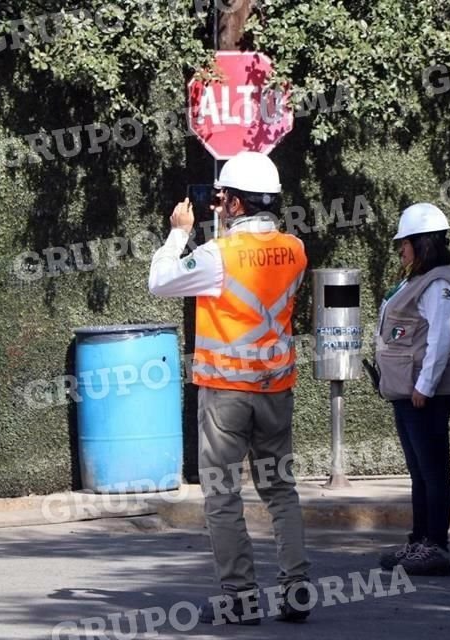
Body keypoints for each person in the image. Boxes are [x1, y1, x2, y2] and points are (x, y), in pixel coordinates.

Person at [148, 151, 312, 624]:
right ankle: (296, 587)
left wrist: (180, 231)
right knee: (280, 489)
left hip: (224, 392)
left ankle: (241, 597)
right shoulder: (296, 250)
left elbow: (160, 281)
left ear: (237, 204)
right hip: (276, 387)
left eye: (222, 199)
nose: (217, 206)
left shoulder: (216, 255)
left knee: (222, 495)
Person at [374, 202, 450, 576]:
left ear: (422, 243)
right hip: (408, 391)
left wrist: (424, 387)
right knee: (418, 472)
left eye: (405, 243)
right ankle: (419, 541)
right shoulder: (417, 279)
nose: (401, 250)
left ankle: (435, 546)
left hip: (426, 394)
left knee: (432, 471)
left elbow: (441, 339)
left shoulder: (439, 284)